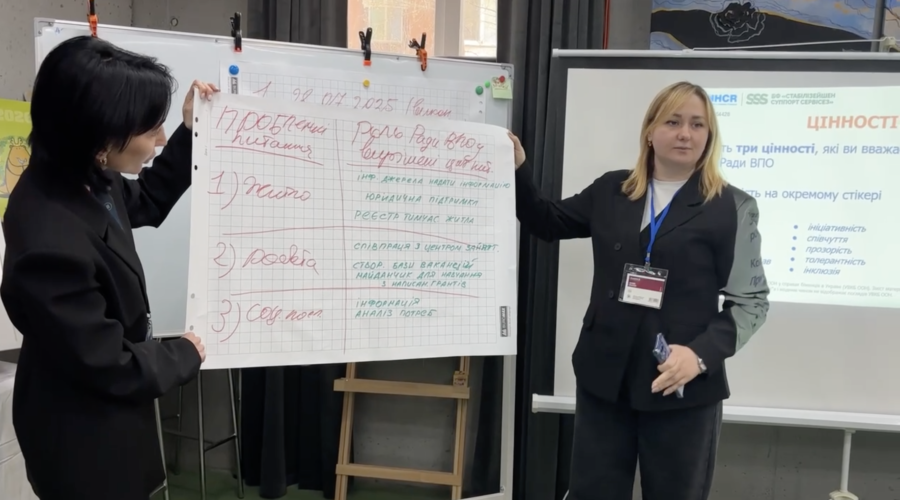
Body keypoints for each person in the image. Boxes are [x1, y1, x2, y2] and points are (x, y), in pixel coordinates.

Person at [510, 81, 770, 500]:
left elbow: (751, 302)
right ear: (650, 131)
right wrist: (517, 169)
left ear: (709, 135)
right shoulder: (612, 190)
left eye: (697, 124)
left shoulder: (733, 207)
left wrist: (699, 356)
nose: (685, 134)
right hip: (604, 379)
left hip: (680, 386)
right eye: (673, 122)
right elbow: (546, 220)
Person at [0, 36, 218, 500]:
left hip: (108, 409)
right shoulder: (47, 243)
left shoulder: (84, 175)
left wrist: (189, 129)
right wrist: (185, 353)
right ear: (101, 137)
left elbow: (150, 197)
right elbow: (109, 362)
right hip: (79, 434)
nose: (160, 140)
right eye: (151, 129)